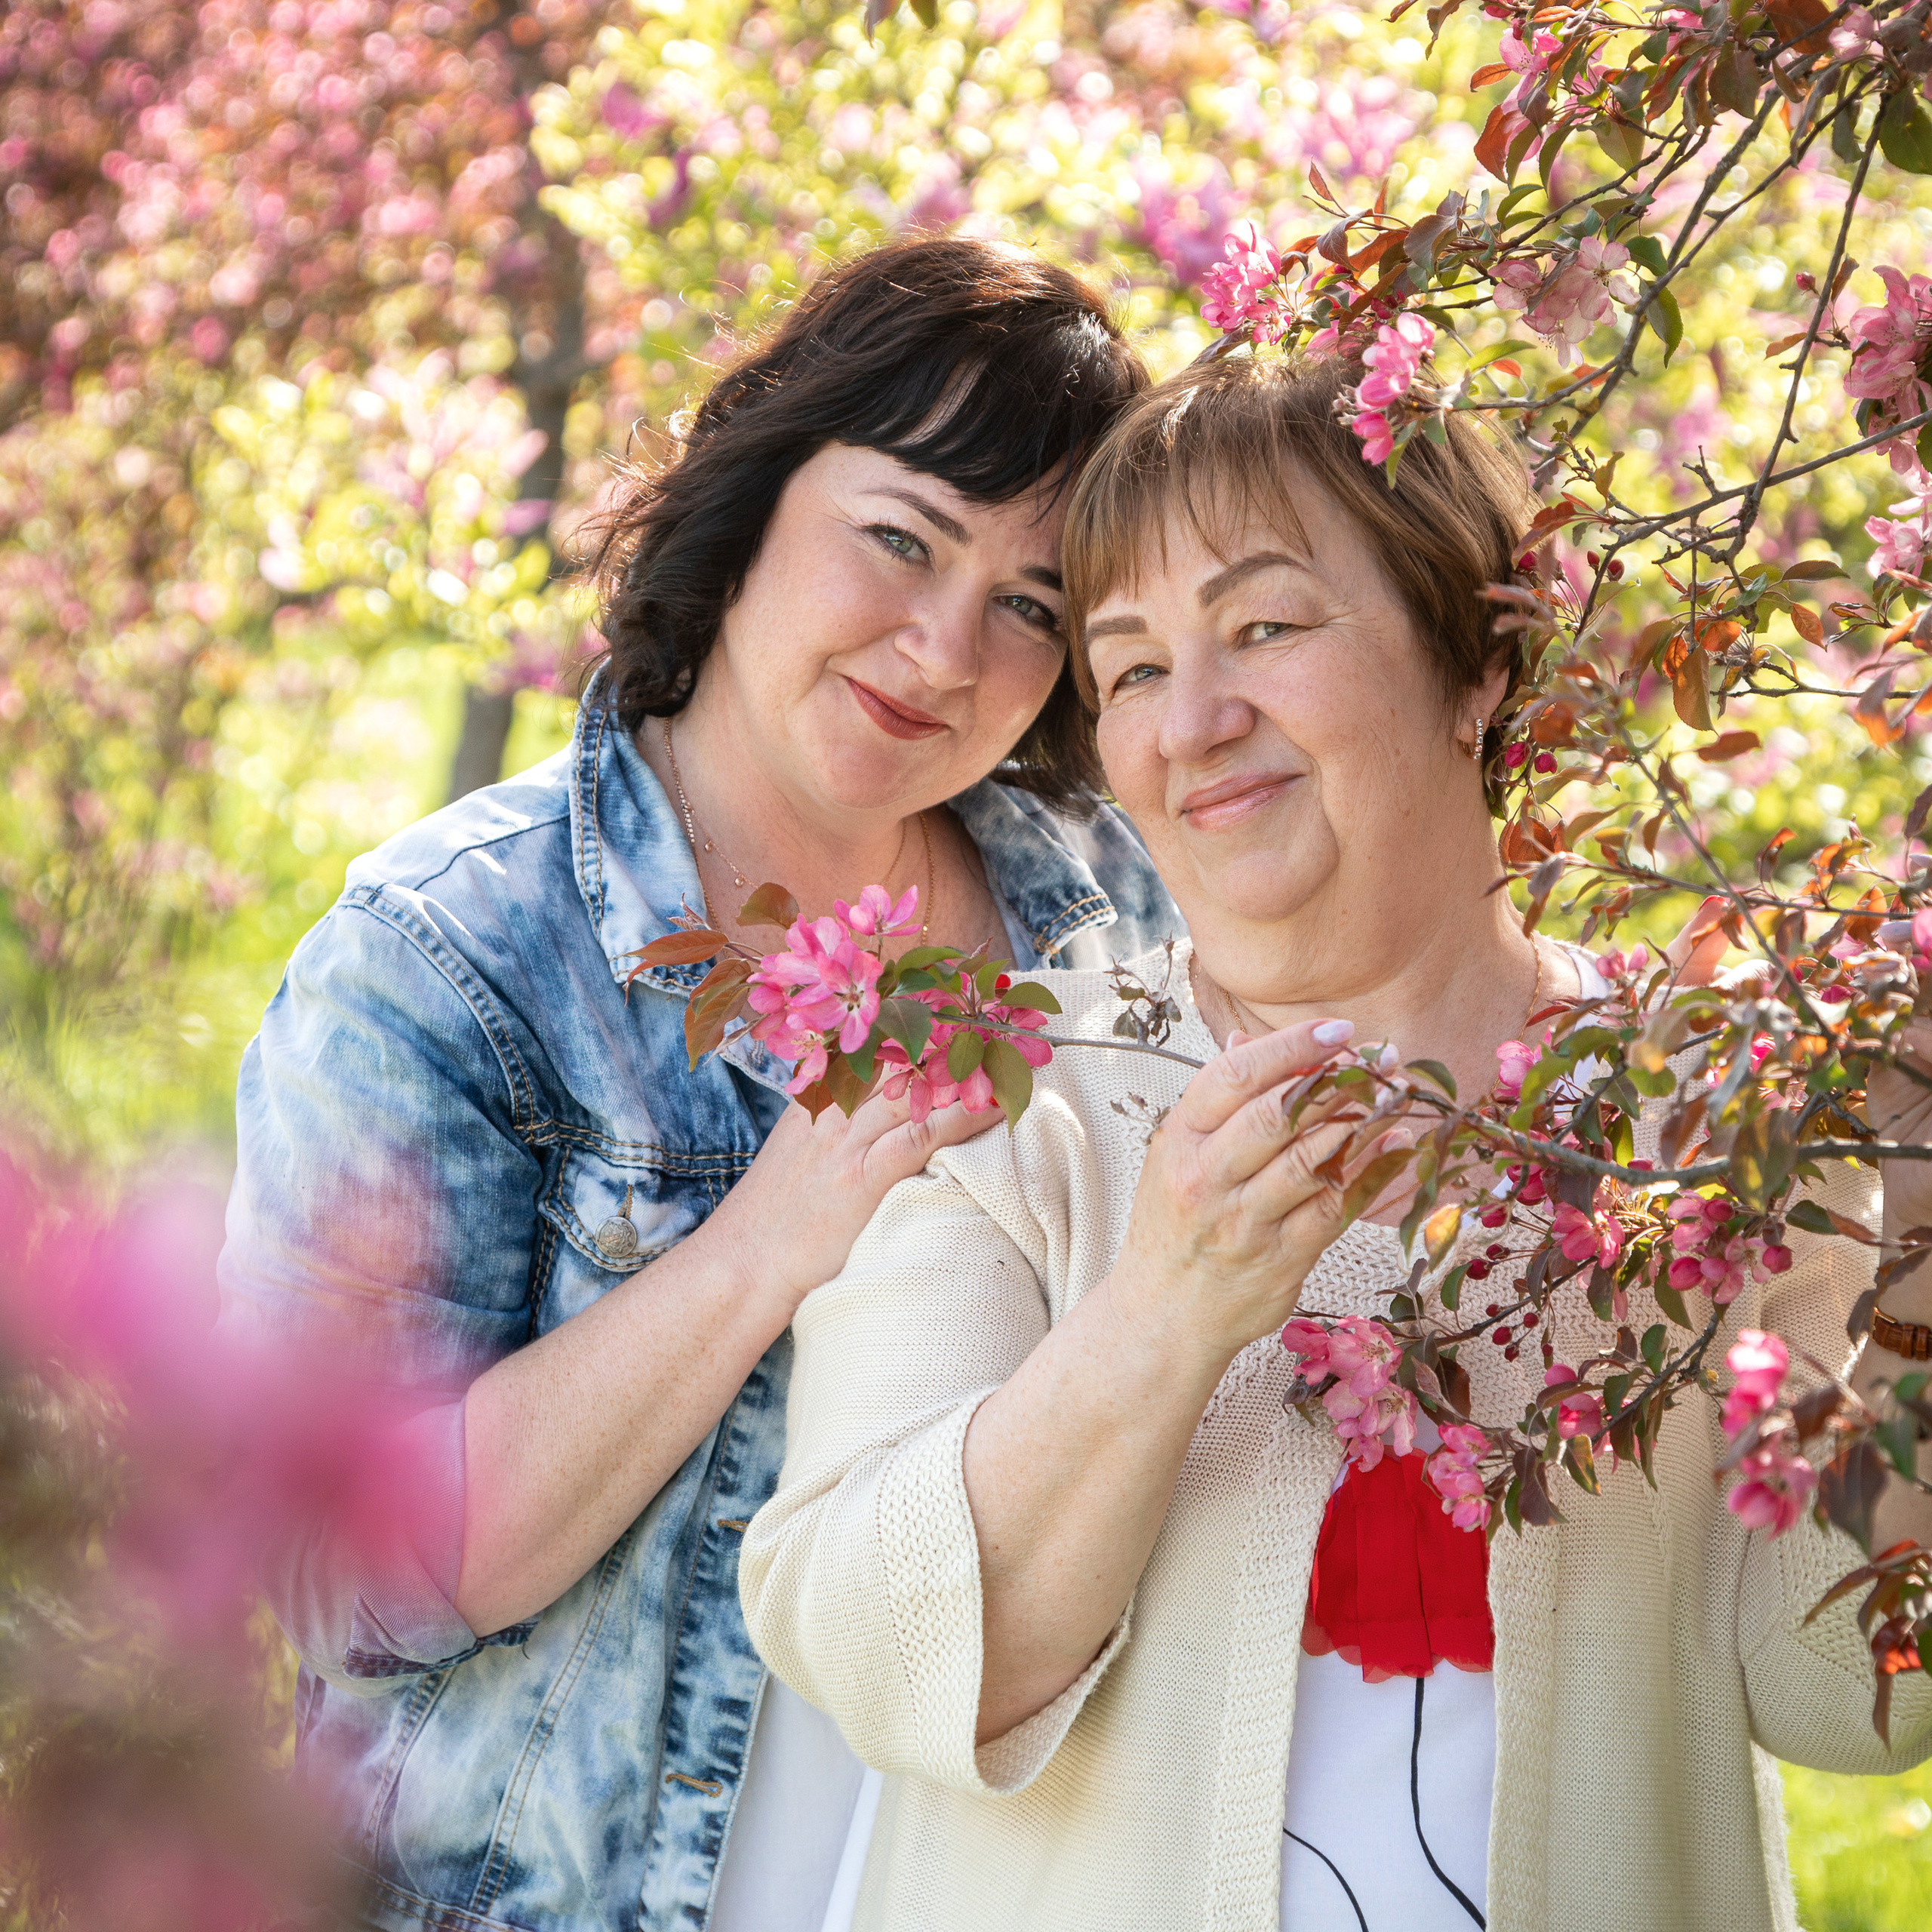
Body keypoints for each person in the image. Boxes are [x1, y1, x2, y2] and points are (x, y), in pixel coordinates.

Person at [739, 350, 1932, 1932]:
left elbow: (1848, 1687)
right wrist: (1163, 1309)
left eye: (1264, 627)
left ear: (1473, 664)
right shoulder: (1010, 1104)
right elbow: (880, 1660)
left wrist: (1910, 1212)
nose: (1195, 720)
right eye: (1133, 669)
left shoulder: (1704, 1119)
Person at [217, 236, 1183, 1932]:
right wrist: (766, 1237)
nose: (945, 647)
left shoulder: (1113, 922)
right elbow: (343, 1572)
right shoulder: (453, 955)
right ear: (751, 497)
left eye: (1028, 603)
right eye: (899, 537)